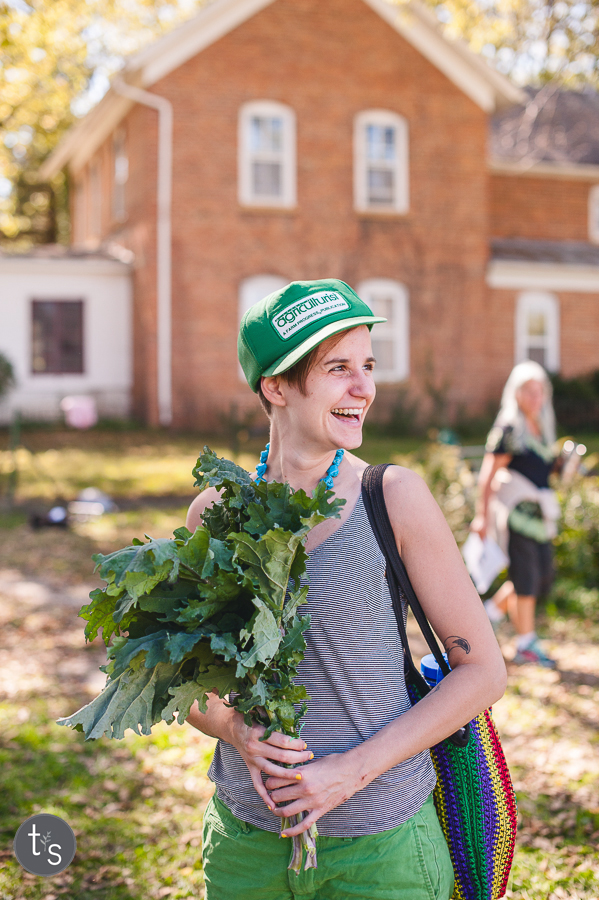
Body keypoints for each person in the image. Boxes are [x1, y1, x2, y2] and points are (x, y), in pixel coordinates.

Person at [186, 278, 507, 900]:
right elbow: (188, 680)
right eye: (338, 369)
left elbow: (483, 672)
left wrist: (347, 774)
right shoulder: (214, 514)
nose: (364, 389)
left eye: (367, 366)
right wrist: (233, 731)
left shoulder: (392, 497)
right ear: (274, 387)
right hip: (248, 847)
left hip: (382, 849)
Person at [471, 360, 560, 668]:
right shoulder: (509, 429)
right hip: (515, 515)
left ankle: (492, 613)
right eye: (529, 391)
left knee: (542, 577)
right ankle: (525, 644)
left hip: (540, 517)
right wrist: (481, 517)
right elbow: (487, 475)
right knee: (526, 577)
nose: (535, 397)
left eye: (540, 391)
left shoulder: (542, 428)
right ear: (516, 393)